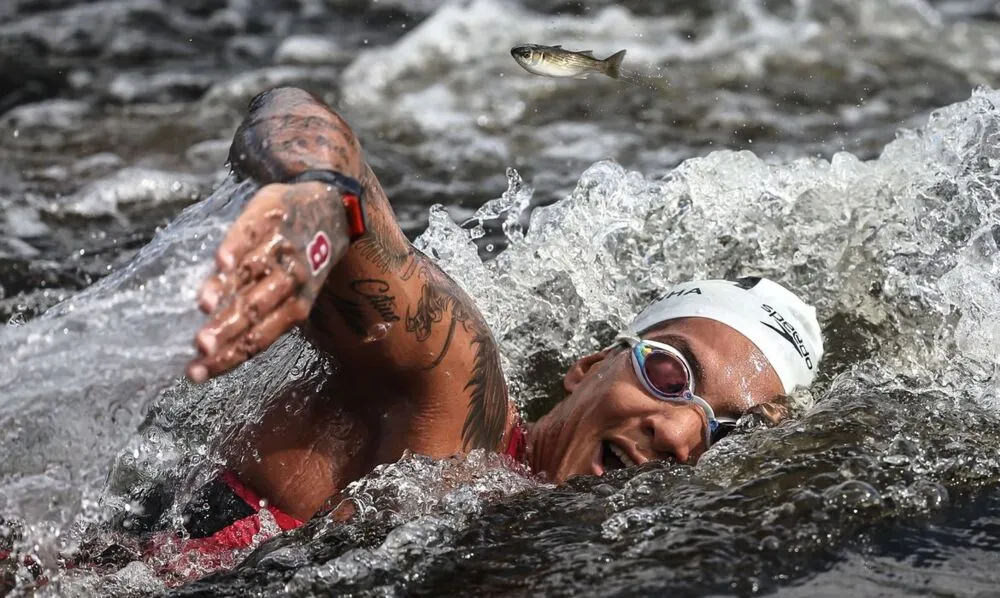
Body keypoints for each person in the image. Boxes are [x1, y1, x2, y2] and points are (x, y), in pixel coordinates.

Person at [166, 86, 824, 551]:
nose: (682, 432)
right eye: (668, 372)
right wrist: (318, 195)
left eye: (725, 434)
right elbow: (300, 115)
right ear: (588, 367)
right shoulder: (450, 395)